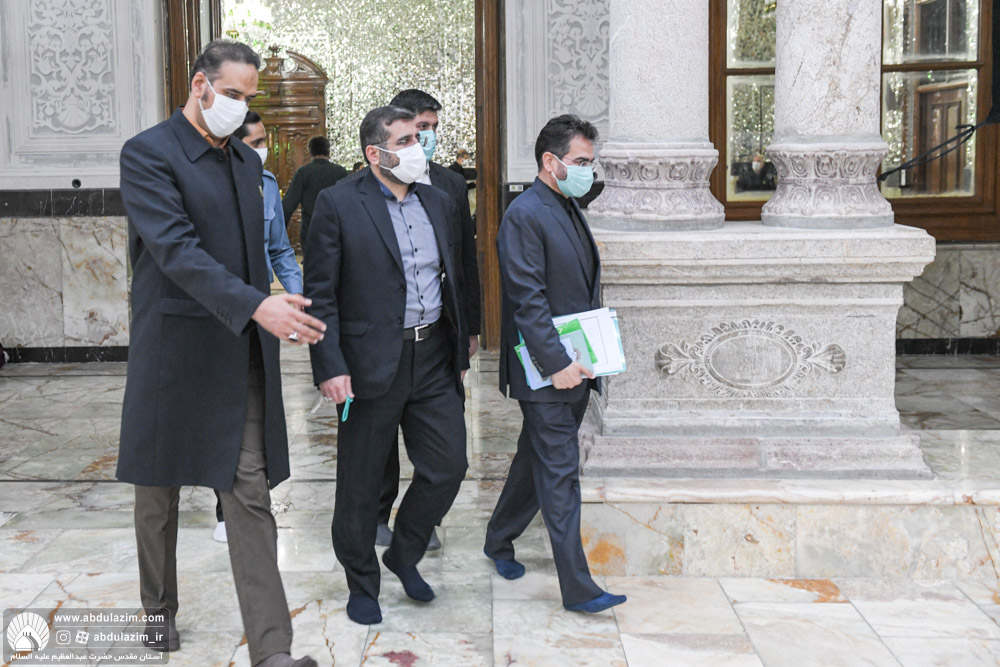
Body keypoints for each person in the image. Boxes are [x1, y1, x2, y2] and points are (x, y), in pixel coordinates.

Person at [117, 39, 325, 667]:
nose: (239, 106)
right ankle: (158, 612)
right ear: (200, 85)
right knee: (158, 493)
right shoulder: (148, 154)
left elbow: (253, 254)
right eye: (231, 93)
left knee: (248, 492)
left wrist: (274, 307)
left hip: (238, 350)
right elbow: (176, 250)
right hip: (173, 349)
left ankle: (273, 651)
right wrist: (259, 306)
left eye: (247, 97)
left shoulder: (244, 162)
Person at [304, 105, 471, 626]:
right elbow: (320, 293)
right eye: (405, 140)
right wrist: (329, 365)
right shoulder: (338, 203)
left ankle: (404, 552)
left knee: (448, 466)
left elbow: (456, 277)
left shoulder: (439, 201)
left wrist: (461, 348)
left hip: (433, 356)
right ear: (375, 153)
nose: (417, 147)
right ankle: (362, 583)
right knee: (361, 482)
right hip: (368, 362)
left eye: (418, 137)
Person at [483, 115, 627, 615]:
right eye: (581, 161)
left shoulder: (566, 206)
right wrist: (557, 363)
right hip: (547, 371)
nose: (590, 171)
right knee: (561, 472)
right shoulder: (524, 214)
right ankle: (579, 588)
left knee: (535, 461)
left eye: (591, 161)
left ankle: (498, 538)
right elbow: (528, 301)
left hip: (577, 368)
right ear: (551, 161)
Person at [372, 89, 481, 550]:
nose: (427, 138)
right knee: (380, 438)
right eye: (420, 129)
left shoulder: (450, 185)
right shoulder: (363, 188)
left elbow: (464, 262)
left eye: (433, 129)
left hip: (437, 333)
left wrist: (470, 327)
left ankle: (422, 518)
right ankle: (378, 514)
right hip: (385, 336)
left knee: (439, 439)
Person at [212, 110, 304, 544]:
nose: (264, 150)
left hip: (263, 311)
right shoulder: (211, 185)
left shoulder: (267, 185)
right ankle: (223, 509)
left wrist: (299, 299)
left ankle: (249, 498)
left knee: (258, 406)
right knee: (223, 408)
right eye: (256, 143)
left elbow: (280, 250)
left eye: (265, 141)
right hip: (222, 310)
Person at [281, 135, 348, 253]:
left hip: (310, 230)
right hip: (335, 230)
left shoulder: (303, 172)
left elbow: (289, 203)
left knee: (311, 264)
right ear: (328, 151)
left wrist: (280, 230)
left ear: (310, 152)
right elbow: (348, 203)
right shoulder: (340, 172)